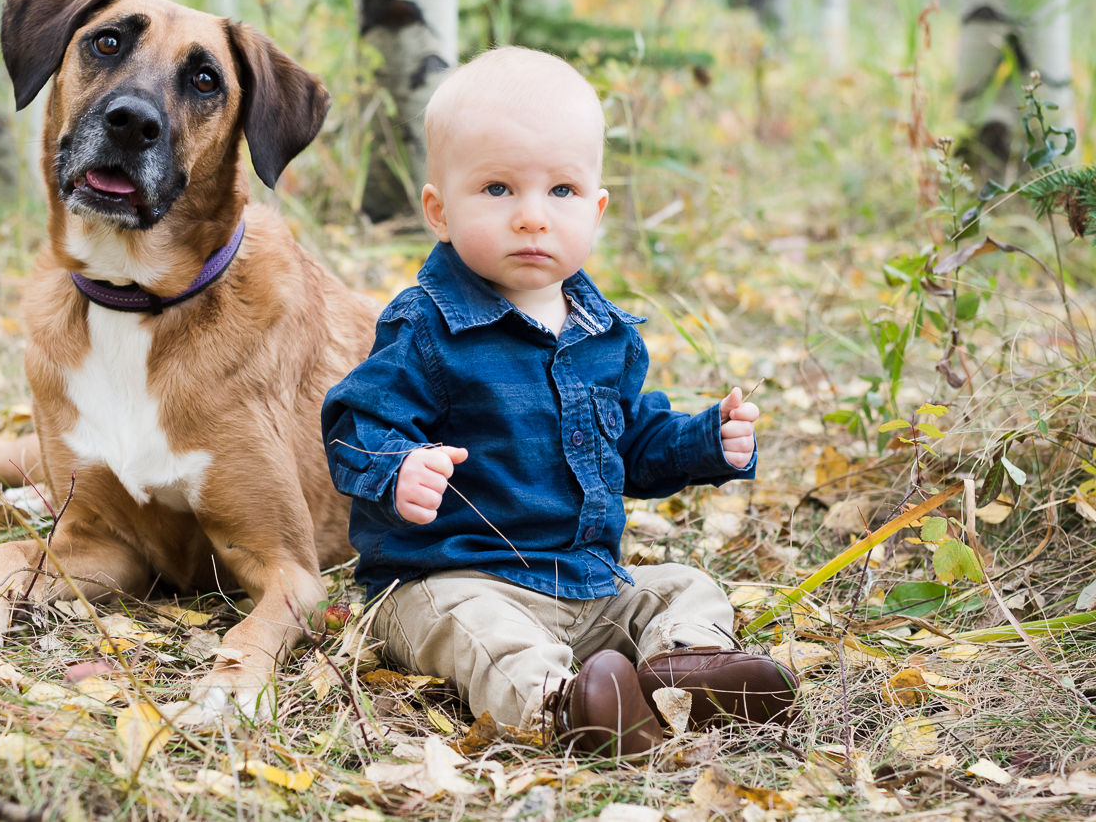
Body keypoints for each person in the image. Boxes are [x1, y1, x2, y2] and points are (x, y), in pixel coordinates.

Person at [322, 47, 798, 756]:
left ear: (597, 209)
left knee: (683, 585)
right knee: (480, 630)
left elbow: (632, 444)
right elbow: (357, 418)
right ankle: (563, 707)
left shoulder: (606, 336)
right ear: (438, 210)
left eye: (562, 192)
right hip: (449, 579)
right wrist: (399, 468)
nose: (532, 218)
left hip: (585, 586)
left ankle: (685, 671)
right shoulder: (424, 325)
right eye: (497, 190)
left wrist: (705, 440)